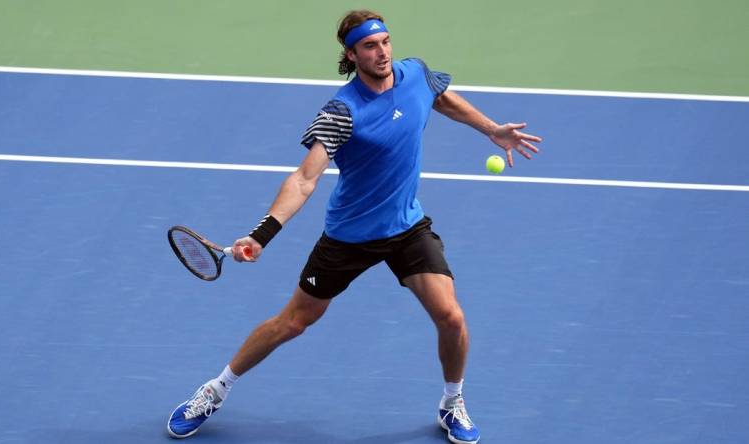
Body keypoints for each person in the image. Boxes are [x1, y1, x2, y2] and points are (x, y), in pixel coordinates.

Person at [167, 9, 541, 444]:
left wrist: (491, 129)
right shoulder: (342, 112)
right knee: (292, 323)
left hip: (407, 229)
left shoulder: (415, 73)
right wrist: (263, 233)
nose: (381, 52)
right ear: (351, 54)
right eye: (369, 46)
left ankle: (451, 402)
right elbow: (305, 178)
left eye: (385, 42)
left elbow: (440, 97)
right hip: (349, 237)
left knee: (451, 317)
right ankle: (215, 390)